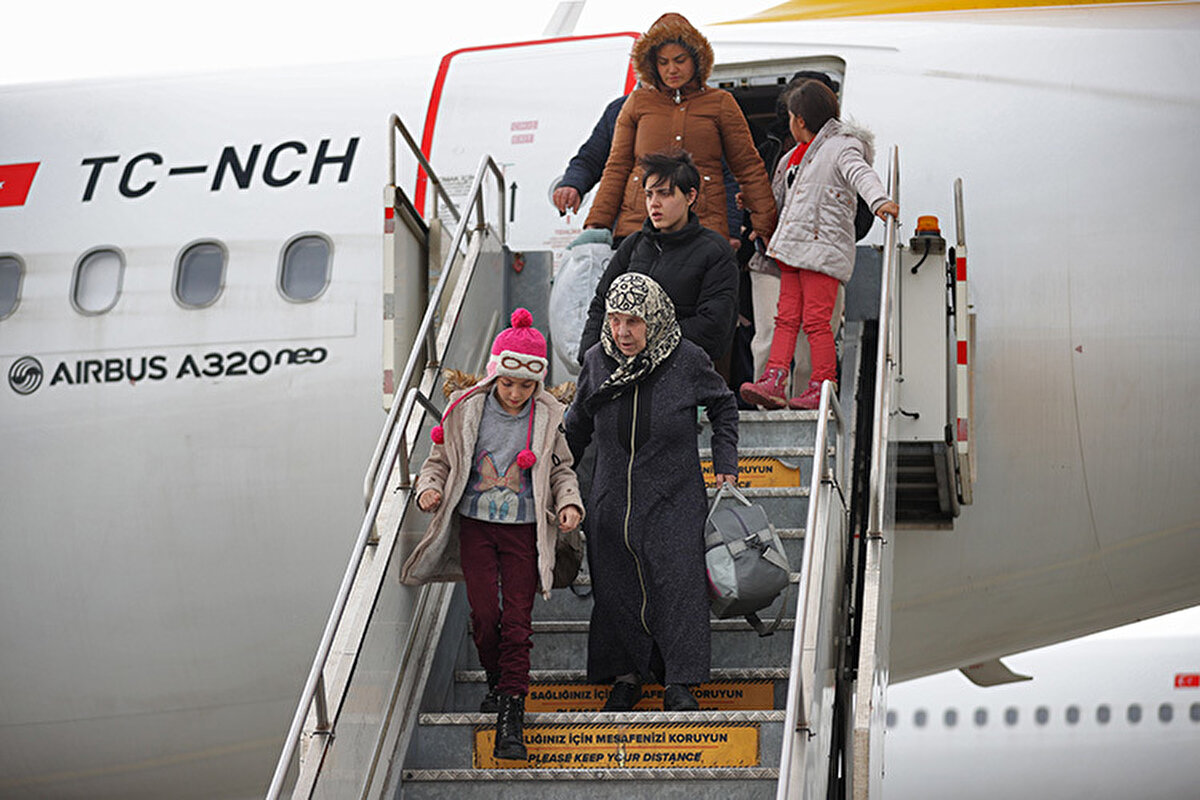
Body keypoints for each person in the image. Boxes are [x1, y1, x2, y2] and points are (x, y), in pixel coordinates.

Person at [400, 308, 584, 761]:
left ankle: (511, 714)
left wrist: (568, 503)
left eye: (526, 385)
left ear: (538, 383)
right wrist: (430, 489)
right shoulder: (466, 412)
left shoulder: (546, 417)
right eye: (508, 382)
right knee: (485, 619)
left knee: (518, 624)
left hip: (524, 532)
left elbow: (561, 469)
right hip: (477, 529)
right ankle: (493, 682)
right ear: (494, 374)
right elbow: (438, 461)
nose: (517, 392)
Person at [564, 273, 739, 712]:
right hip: (612, 500)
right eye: (616, 320)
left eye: (634, 322)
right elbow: (576, 428)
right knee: (615, 589)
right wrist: (552, 478)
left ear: (654, 319)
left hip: (674, 496)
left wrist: (726, 465)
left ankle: (680, 680)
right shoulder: (596, 362)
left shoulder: (687, 359)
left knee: (678, 585)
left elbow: (724, 405)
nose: (623, 332)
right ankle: (626, 678)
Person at [740, 80, 899, 410]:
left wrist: (879, 201)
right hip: (794, 252)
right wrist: (755, 208)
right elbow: (778, 203)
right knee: (786, 319)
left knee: (816, 321)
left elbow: (860, 174)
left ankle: (821, 384)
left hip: (822, 251)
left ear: (799, 120)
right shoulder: (789, 160)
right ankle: (775, 379)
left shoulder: (842, 146)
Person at [582, 13, 777, 245]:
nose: (671, 69)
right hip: (639, 225)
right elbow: (617, 166)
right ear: (651, 64)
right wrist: (597, 223)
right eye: (663, 62)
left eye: (679, 59)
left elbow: (747, 166)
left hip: (703, 224)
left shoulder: (721, 103)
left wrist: (764, 221)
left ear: (697, 59)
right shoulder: (636, 102)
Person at [578, 150, 738, 363]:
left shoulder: (715, 250)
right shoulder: (633, 244)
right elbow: (601, 304)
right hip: (621, 367)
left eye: (665, 194)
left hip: (683, 370)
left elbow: (714, 325)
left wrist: (646, 342)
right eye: (649, 194)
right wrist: (590, 358)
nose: (654, 203)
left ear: (690, 196)